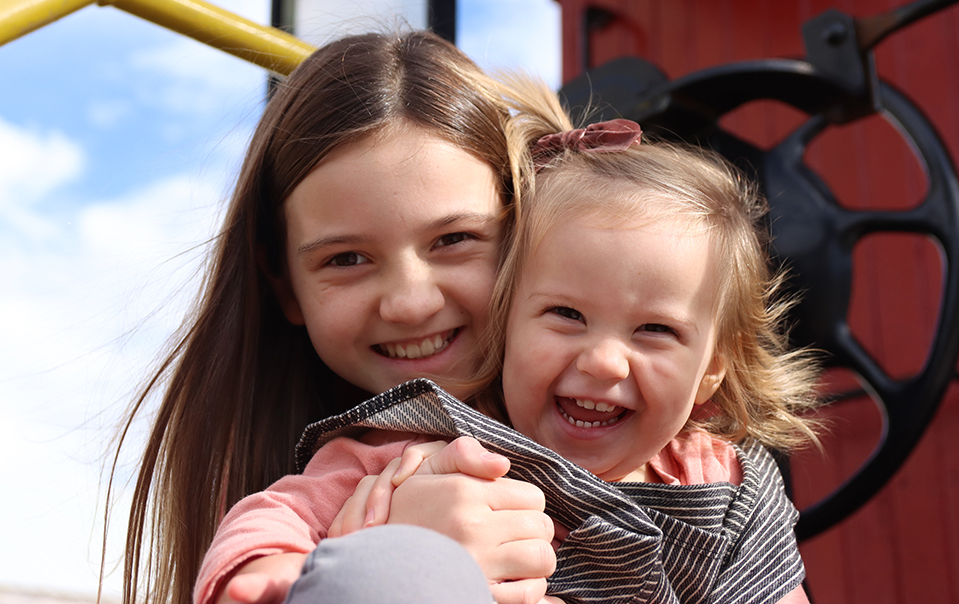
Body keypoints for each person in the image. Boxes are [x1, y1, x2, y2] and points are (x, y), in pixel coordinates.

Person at [195, 77, 822, 604]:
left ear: (711, 367)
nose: (603, 360)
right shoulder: (426, 443)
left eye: (655, 330)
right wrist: (267, 571)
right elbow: (282, 513)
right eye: (566, 315)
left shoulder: (728, 485)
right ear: (511, 307)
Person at [103, 31, 558, 604]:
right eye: (346, 259)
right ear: (285, 287)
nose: (410, 302)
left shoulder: (640, 412)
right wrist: (379, 556)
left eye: (454, 239)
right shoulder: (370, 464)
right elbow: (275, 525)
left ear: (524, 234)